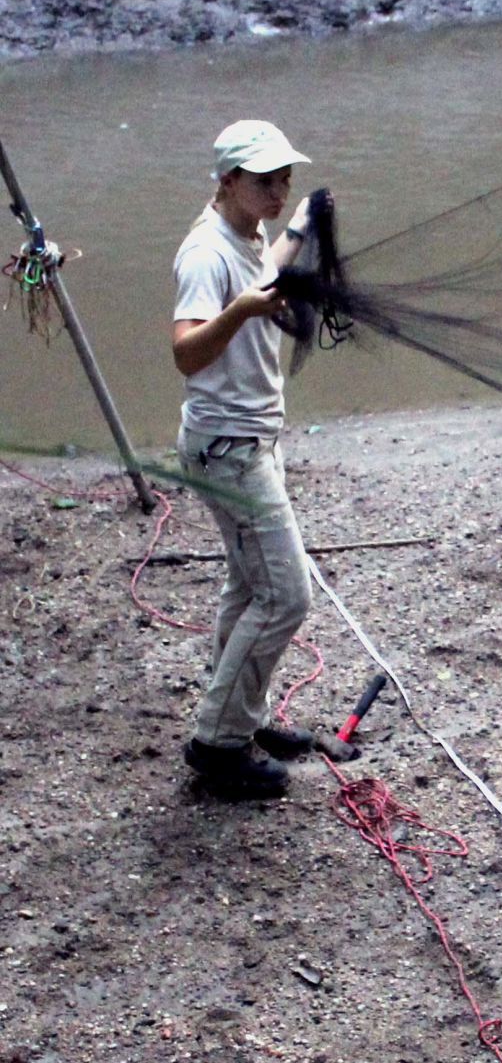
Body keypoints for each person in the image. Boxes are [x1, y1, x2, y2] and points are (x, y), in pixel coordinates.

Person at [171, 120, 321, 798]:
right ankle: (218, 743)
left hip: (253, 438)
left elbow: (268, 268)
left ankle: (240, 717)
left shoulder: (249, 230)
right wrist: (243, 310)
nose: (279, 191)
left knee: (247, 586)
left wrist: (307, 224)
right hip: (227, 451)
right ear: (227, 180)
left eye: (286, 179)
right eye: (265, 181)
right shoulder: (206, 253)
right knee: (287, 595)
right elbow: (186, 353)